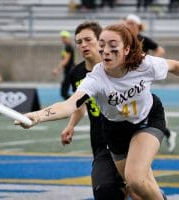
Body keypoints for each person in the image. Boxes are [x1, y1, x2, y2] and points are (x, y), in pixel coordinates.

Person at [16, 23, 179, 199]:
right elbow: (69, 105)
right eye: (102, 45)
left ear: (126, 49)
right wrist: (36, 116)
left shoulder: (144, 64)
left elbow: (176, 66)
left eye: (112, 47)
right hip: (114, 131)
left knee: (134, 180)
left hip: (148, 120)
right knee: (140, 190)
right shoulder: (95, 78)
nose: (105, 51)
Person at [61, 21, 125, 199]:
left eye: (88, 40)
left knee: (136, 189)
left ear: (100, 41)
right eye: (79, 42)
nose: (83, 45)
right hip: (99, 140)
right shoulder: (77, 73)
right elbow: (79, 105)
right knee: (103, 190)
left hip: (127, 138)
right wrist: (71, 125)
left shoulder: (118, 67)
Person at [126, 13, 177, 153]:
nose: (129, 25)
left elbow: (160, 50)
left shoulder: (143, 39)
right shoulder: (125, 39)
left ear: (138, 26)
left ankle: (160, 123)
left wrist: (150, 63)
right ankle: (165, 129)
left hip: (140, 78)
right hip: (128, 78)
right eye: (127, 23)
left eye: (132, 23)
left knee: (139, 106)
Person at [53, 30, 75, 100]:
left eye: (62, 38)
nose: (61, 39)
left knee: (64, 92)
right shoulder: (67, 46)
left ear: (65, 37)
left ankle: (74, 103)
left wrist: (57, 69)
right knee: (64, 91)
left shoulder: (68, 47)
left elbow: (66, 60)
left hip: (70, 70)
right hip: (68, 70)